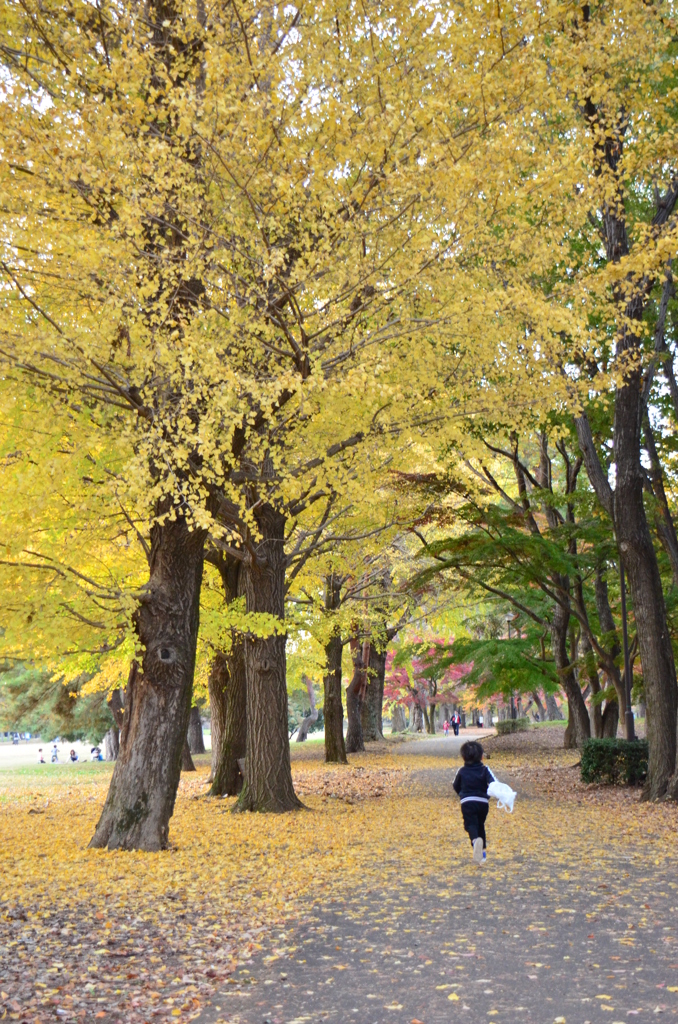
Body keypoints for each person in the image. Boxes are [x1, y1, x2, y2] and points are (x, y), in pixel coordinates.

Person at [453, 740, 496, 865]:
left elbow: (455, 785)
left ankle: (475, 841)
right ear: (481, 756)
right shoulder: (485, 769)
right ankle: (482, 855)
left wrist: (462, 795)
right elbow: (493, 783)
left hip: (467, 802)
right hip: (483, 802)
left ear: (463, 757)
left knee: (470, 825)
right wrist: (488, 795)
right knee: (480, 824)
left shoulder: (461, 771)